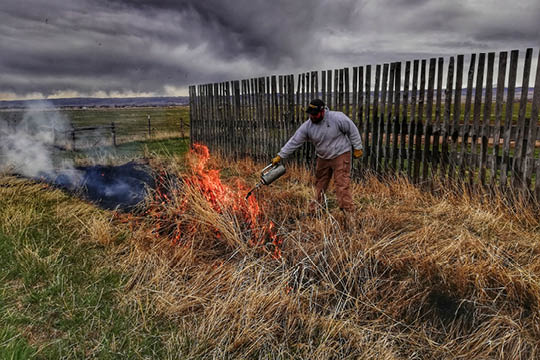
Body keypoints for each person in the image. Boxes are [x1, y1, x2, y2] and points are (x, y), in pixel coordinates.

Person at [272, 99, 363, 212]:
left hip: (341, 154)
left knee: (341, 183)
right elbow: (294, 141)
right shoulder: (307, 126)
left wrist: (358, 147)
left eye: (315, 114)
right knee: (320, 183)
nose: (312, 117)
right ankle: (315, 209)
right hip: (323, 157)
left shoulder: (337, 118)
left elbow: (352, 130)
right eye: (310, 114)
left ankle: (347, 211)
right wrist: (281, 155)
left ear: (323, 111)